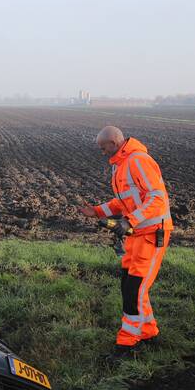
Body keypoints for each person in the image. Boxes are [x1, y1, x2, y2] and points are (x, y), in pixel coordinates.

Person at [79, 126, 173, 358]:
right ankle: (149, 333)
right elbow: (124, 201)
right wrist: (98, 211)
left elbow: (157, 197)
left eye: (103, 148)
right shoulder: (120, 164)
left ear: (114, 142)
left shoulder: (138, 160)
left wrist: (130, 220)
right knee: (130, 285)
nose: (102, 152)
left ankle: (127, 344)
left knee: (135, 290)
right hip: (136, 235)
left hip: (152, 234)